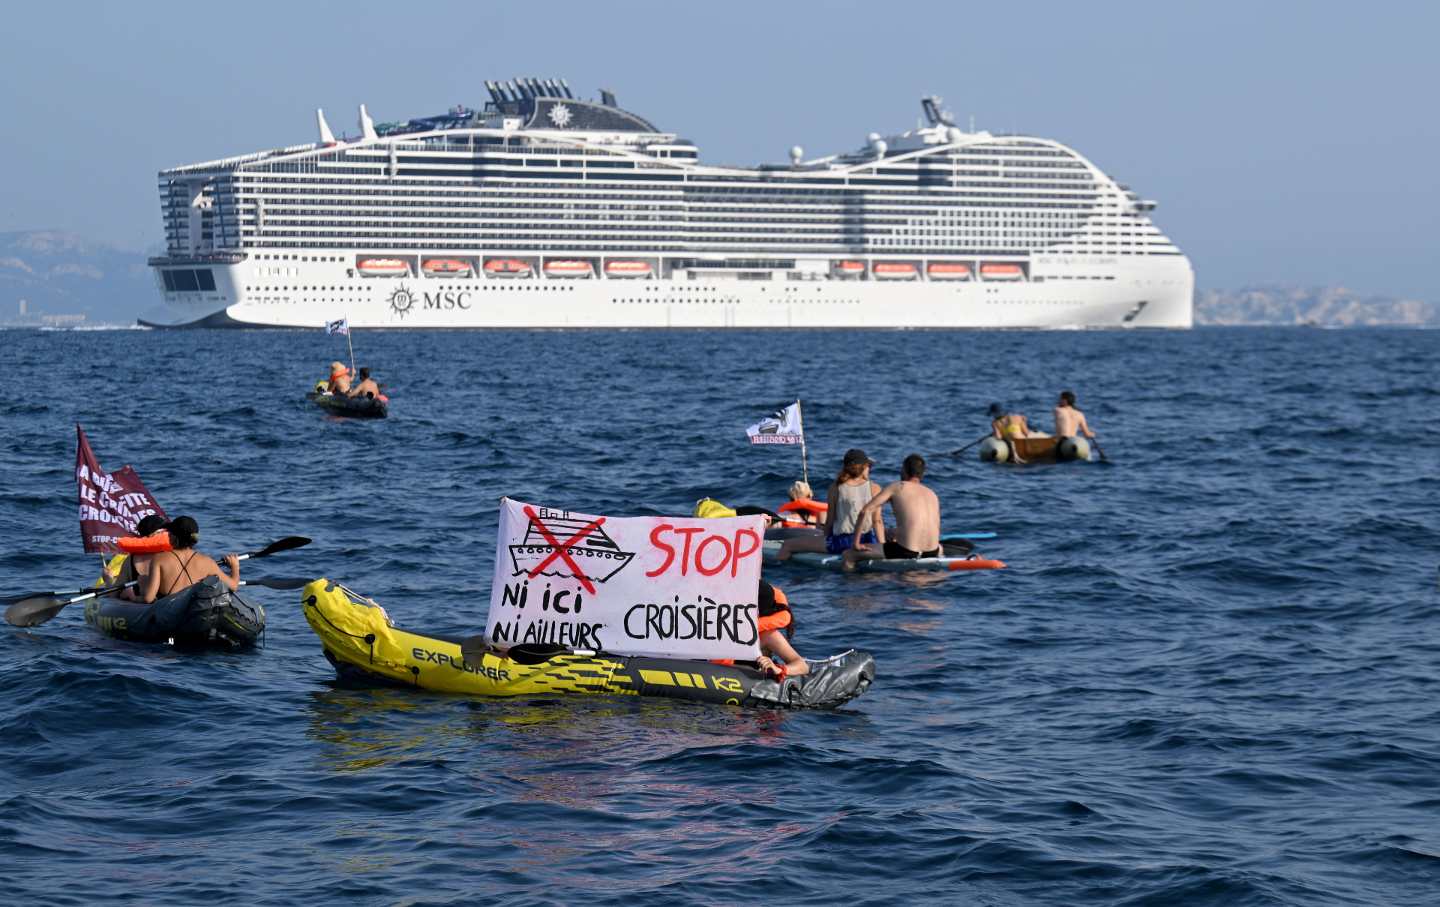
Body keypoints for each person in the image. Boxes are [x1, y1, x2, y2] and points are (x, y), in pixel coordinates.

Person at [776, 449, 885, 560]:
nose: (869, 470)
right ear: (863, 467)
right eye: (869, 467)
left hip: (841, 543)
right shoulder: (875, 488)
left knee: (787, 545)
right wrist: (883, 548)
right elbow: (877, 521)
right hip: (869, 541)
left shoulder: (835, 487)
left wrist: (824, 540)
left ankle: (774, 571)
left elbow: (830, 521)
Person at [846, 453, 942, 568]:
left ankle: (850, 582)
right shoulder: (932, 494)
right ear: (922, 474)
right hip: (933, 551)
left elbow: (865, 511)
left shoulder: (897, 487)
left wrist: (856, 544)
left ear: (904, 470)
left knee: (849, 555)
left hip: (906, 551)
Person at [138, 516, 241, 604]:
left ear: (172, 537)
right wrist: (235, 566)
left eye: (169, 534)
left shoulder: (159, 559)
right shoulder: (207, 562)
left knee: (142, 580)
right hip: (194, 613)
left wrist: (139, 589)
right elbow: (234, 586)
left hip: (170, 613)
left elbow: (148, 598)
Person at [104, 514, 169, 601]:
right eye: (165, 531)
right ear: (155, 534)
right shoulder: (172, 556)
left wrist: (108, 579)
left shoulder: (130, 560)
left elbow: (113, 594)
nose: (168, 534)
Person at [754, 579, 808, 678]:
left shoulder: (767, 636)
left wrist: (778, 669)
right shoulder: (719, 626)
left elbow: (803, 666)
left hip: (749, 681)